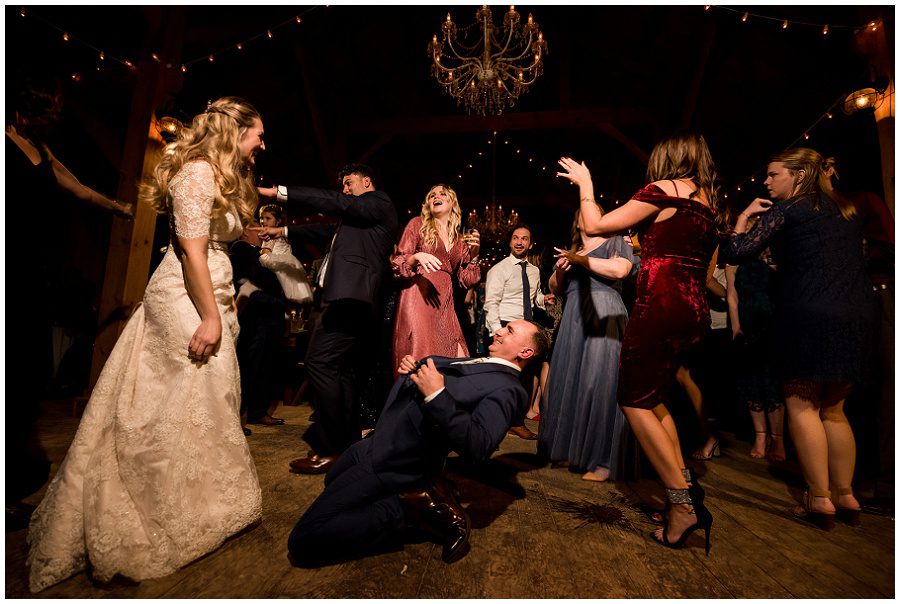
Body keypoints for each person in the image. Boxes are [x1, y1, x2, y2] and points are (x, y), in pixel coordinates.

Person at [26, 97, 265, 591]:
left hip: (210, 292)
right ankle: (151, 507)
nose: (261, 144)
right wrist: (209, 316)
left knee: (206, 400)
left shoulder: (216, 178)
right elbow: (192, 250)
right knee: (172, 399)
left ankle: (198, 500)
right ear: (232, 131)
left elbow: (210, 242)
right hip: (187, 297)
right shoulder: (197, 174)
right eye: (257, 134)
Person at [557, 132, 725, 553]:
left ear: (666, 158)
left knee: (632, 400)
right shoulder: (707, 202)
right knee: (653, 397)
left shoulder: (664, 190)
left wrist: (585, 185)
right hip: (692, 308)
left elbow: (593, 225)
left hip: (662, 304)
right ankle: (684, 486)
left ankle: (682, 506)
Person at [286, 320, 549, 566]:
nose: (500, 330)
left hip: (394, 461)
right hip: (375, 443)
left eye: (510, 331)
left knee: (304, 539)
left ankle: (412, 509)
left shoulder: (510, 390)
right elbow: (447, 381)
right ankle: (425, 492)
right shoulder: (487, 362)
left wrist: (436, 393)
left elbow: (478, 445)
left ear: (525, 352)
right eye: (504, 327)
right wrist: (414, 370)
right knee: (331, 481)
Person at [723, 148, 876, 530]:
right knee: (835, 410)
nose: (767, 181)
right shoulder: (847, 210)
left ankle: (819, 499)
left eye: (774, 174)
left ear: (801, 174)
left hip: (808, 315)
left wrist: (742, 218)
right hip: (855, 315)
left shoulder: (789, 210)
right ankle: (846, 495)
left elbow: (736, 251)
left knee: (803, 405)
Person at [6, 79, 134, 526]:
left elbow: (76, 186)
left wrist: (117, 207)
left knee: (26, 373)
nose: (53, 122)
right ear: (24, 108)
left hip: (32, 272)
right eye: (47, 113)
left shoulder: (39, 147)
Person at [257, 164, 399, 474]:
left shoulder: (379, 202)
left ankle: (331, 446)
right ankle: (345, 445)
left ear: (367, 181)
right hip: (342, 299)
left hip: (352, 299)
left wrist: (279, 193)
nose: (345, 190)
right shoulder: (355, 221)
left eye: (349, 183)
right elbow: (324, 231)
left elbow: (337, 203)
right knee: (341, 371)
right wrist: (283, 231)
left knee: (319, 363)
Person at [540, 208, 635, 482]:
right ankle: (574, 450)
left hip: (603, 313)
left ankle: (604, 461)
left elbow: (621, 269)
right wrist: (560, 269)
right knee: (572, 381)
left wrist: (580, 260)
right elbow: (555, 287)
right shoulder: (574, 248)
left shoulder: (614, 241)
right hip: (573, 316)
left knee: (600, 383)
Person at [392, 184, 481, 375]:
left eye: (442, 194)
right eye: (432, 195)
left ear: (453, 203)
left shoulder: (459, 240)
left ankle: (444, 400)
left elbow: (468, 280)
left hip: (445, 303)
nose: (435, 197)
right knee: (422, 353)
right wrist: (415, 258)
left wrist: (474, 256)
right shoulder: (417, 224)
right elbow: (398, 262)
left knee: (456, 355)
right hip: (419, 297)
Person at [483, 224, 556, 440]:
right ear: (510, 242)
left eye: (524, 238)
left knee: (524, 378)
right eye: (515, 238)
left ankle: (516, 422)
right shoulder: (499, 269)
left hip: (526, 328)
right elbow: (491, 303)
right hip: (506, 327)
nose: (519, 242)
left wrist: (544, 300)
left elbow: (534, 297)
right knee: (501, 377)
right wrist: (498, 331)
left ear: (530, 243)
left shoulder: (533, 271)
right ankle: (495, 420)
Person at [725, 250, 785, 461]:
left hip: (773, 326)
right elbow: (732, 296)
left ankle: (778, 439)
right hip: (747, 324)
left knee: (773, 383)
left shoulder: (779, 259)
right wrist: (735, 326)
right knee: (751, 381)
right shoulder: (735, 262)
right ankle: (760, 436)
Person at [229, 225, 288, 432]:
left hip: (267, 317)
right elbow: (246, 284)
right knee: (249, 368)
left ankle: (257, 412)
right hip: (255, 317)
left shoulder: (260, 251)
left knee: (264, 367)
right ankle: (238, 417)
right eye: (257, 228)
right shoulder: (241, 250)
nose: (262, 231)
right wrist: (279, 302)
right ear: (245, 232)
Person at [258, 203, 313, 305]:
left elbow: (266, 257)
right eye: (261, 218)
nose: (263, 221)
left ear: (278, 221)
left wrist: (259, 254)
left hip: (278, 273)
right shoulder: (284, 235)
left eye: (268, 218)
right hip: (288, 270)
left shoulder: (269, 235)